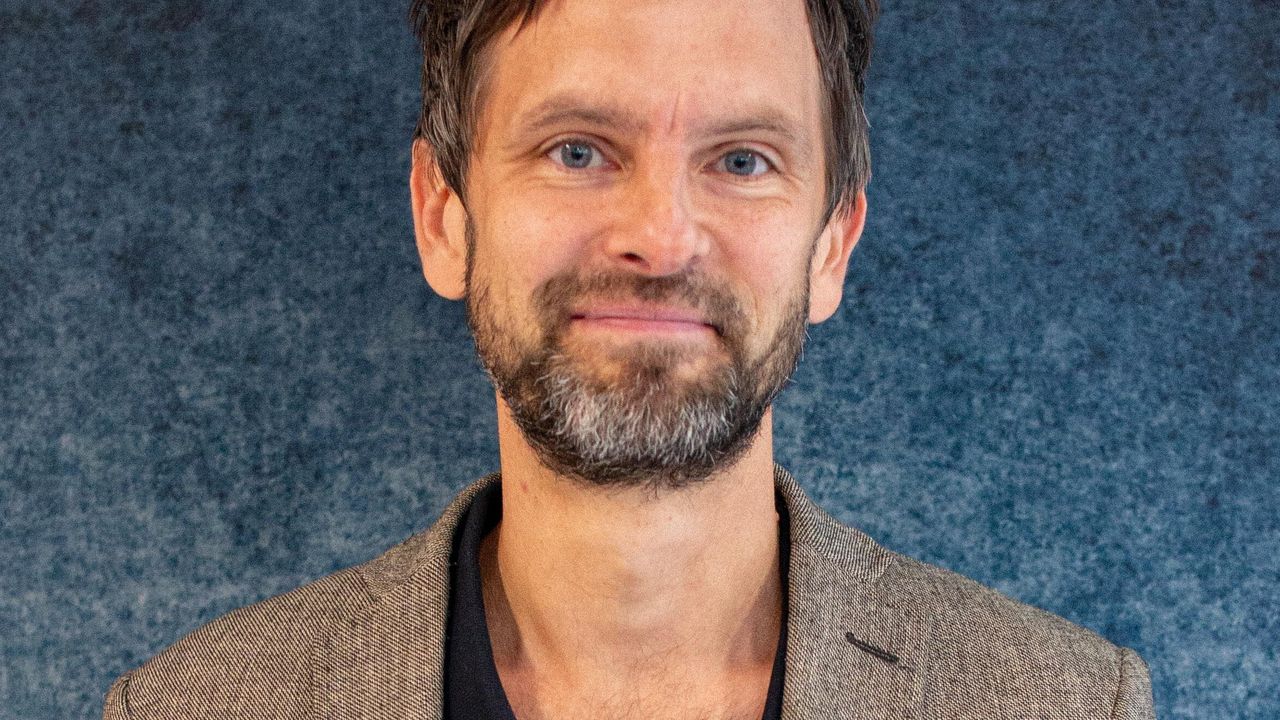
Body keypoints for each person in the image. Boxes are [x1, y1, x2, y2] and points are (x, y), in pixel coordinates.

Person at [103, 0, 1156, 718]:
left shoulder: (1065, 703)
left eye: (742, 159)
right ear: (442, 217)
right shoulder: (195, 707)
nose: (660, 236)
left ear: (832, 246)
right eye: (576, 150)